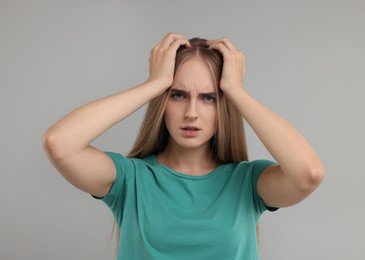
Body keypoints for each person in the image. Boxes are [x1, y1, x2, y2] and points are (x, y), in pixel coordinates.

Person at [43, 33, 324, 259]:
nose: (191, 112)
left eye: (208, 98)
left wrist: (237, 91)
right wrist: (154, 84)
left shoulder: (247, 183)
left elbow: (308, 173)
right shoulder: (130, 180)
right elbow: (59, 143)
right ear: (163, 101)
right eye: (177, 95)